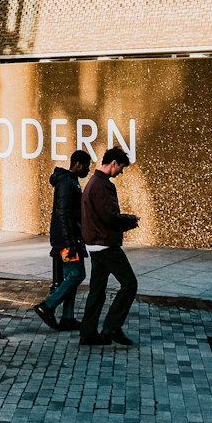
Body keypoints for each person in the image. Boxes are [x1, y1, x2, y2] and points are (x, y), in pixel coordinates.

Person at [79, 146, 139, 347]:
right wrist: (129, 221)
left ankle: (88, 333)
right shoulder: (102, 185)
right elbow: (110, 216)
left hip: (95, 245)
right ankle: (112, 328)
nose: (121, 172)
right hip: (105, 244)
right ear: (113, 163)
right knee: (130, 284)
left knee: (97, 291)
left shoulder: (93, 183)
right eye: (120, 167)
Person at [34, 149, 91, 332]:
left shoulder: (70, 182)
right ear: (78, 165)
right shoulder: (67, 183)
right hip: (68, 242)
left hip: (71, 239)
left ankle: (68, 317)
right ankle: (47, 306)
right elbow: (62, 213)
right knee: (76, 274)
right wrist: (69, 242)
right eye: (87, 166)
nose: (88, 170)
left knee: (71, 276)